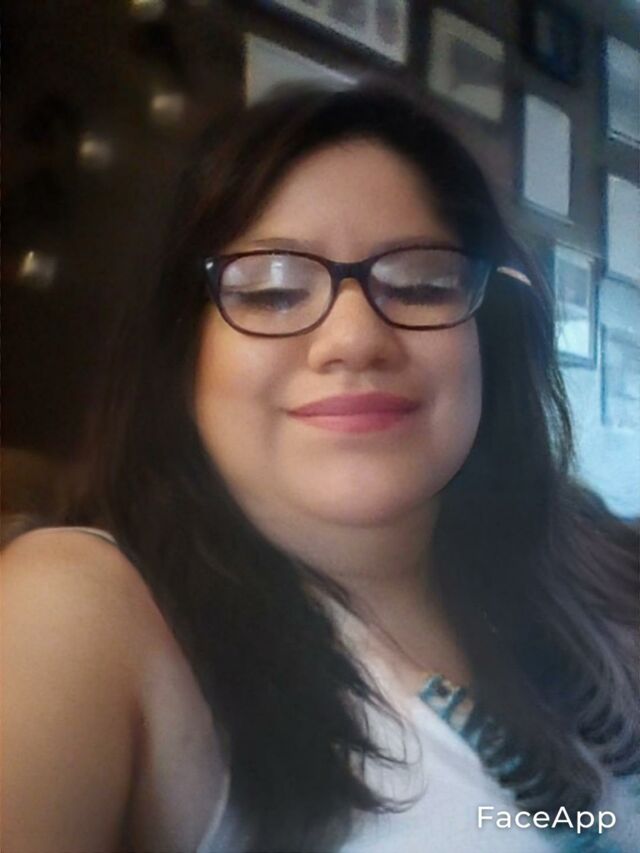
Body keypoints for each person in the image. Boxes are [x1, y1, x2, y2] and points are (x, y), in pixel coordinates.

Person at [3, 79, 639, 853]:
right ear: (182, 352)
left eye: (421, 283)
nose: (355, 339)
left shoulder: (595, 573)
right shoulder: (84, 610)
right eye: (272, 292)